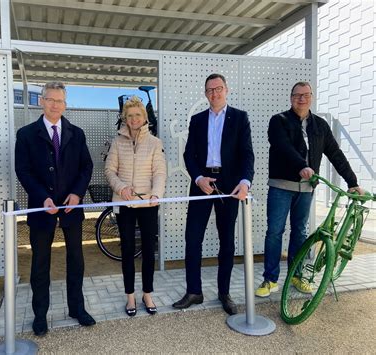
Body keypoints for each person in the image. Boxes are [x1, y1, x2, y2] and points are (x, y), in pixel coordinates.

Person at [255, 81, 363, 298]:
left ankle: (296, 275)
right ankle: (270, 279)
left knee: (300, 231)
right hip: (281, 186)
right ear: (291, 98)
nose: (301, 99)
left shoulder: (320, 125)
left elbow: (335, 154)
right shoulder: (279, 121)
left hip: (306, 189)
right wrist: (301, 166)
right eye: (297, 95)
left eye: (305, 95)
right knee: (275, 232)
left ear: (311, 97)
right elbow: (282, 146)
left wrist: (352, 182)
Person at [15, 81, 95, 336]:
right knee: (40, 263)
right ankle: (40, 314)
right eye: (51, 100)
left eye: (60, 101)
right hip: (42, 209)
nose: (55, 105)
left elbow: (86, 167)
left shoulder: (76, 133)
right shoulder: (26, 134)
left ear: (65, 103)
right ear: (42, 101)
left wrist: (77, 194)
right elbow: (23, 170)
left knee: (76, 260)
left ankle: (77, 308)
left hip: (72, 209)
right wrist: (41, 198)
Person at [173, 74, 254, 315]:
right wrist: (198, 178)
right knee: (192, 238)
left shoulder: (239, 118)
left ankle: (224, 293)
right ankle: (194, 291)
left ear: (226, 90)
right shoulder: (197, 120)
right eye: (209, 90)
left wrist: (245, 182)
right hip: (201, 184)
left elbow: (247, 154)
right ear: (205, 93)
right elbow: (189, 155)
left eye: (218, 88)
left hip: (228, 186)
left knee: (227, 241)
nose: (214, 93)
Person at [105, 96, 166, 317]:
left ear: (144, 117)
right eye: (129, 116)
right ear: (125, 118)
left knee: (149, 250)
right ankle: (130, 295)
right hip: (124, 204)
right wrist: (121, 188)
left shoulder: (155, 143)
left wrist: (156, 194)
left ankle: (147, 293)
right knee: (128, 249)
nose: (133, 119)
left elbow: (159, 172)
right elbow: (110, 171)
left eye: (137, 115)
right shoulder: (117, 142)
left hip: (148, 203)